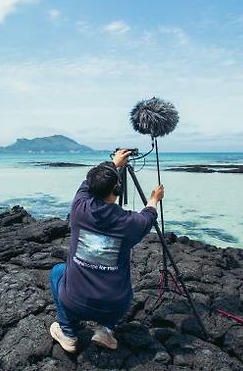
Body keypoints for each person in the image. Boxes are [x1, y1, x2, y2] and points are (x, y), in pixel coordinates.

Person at [49, 149, 164, 353]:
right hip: (113, 305)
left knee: (57, 271)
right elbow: (149, 215)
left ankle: (68, 332)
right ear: (117, 190)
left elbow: (87, 184)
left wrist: (113, 163)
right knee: (123, 286)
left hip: (75, 300)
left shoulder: (78, 207)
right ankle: (106, 331)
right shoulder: (130, 223)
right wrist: (155, 198)